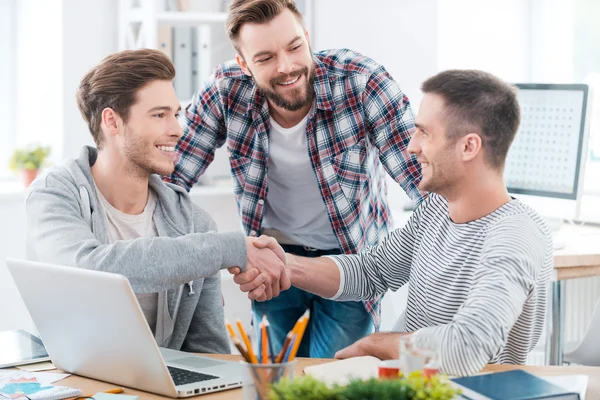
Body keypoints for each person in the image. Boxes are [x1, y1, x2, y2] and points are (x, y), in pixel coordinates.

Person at [239, 69, 554, 376]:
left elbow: (466, 348)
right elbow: (370, 271)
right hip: (412, 386)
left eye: (424, 133)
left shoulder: (516, 234)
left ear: (468, 146)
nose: (412, 146)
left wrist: (377, 344)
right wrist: (285, 265)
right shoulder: (435, 210)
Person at [165, 0, 423, 358]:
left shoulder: (360, 82)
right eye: (266, 58)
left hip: (350, 261)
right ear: (244, 64)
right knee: (274, 380)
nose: (286, 67)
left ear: (307, 37)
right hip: (271, 260)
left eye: (295, 47)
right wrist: (194, 273)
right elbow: (169, 180)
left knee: (331, 380)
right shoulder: (225, 90)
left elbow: (423, 180)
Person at [25, 49, 289, 354]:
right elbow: (89, 271)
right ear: (112, 121)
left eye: (175, 114)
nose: (177, 129)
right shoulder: (55, 195)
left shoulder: (194, 223)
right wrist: (229, 248)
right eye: (160, 115)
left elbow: (209, 352)